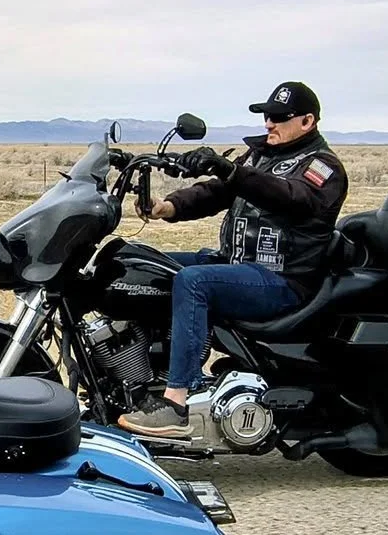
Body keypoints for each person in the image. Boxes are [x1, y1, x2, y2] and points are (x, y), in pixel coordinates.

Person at [119, 81, 348, 439]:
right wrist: (169, 206)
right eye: (267, 116)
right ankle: (132, 375)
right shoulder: (261, 157)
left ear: (307, 121)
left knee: (194, 281)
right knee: (139, 262)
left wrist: (230, 170)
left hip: (283, 281)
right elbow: (217, 192)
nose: (269, 124)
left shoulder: (322, 167)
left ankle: (177, 401)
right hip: (237, 264)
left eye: (278, 117)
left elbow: (290, 197)